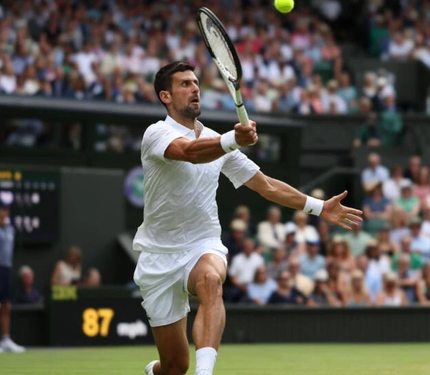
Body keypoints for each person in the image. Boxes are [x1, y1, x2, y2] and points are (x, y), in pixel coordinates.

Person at [133, 62, 362, 375]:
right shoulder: (156, 134)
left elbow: (266, 186)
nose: (195, 88)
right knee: (175, 367)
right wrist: (232, 140)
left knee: (211, 279)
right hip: (158, 256)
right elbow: (190, 152)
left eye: (196, 83)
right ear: (166, 96)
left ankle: (206, 373)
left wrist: (319, 207)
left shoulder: (216, 139)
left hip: (202, 243)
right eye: (185, 84)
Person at [0, 198, 25, 353]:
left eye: (7, 209)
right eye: (2, 209)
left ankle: (5, 339)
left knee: (6, 305)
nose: (5, 212)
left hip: (6, 269)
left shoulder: (10, 229)